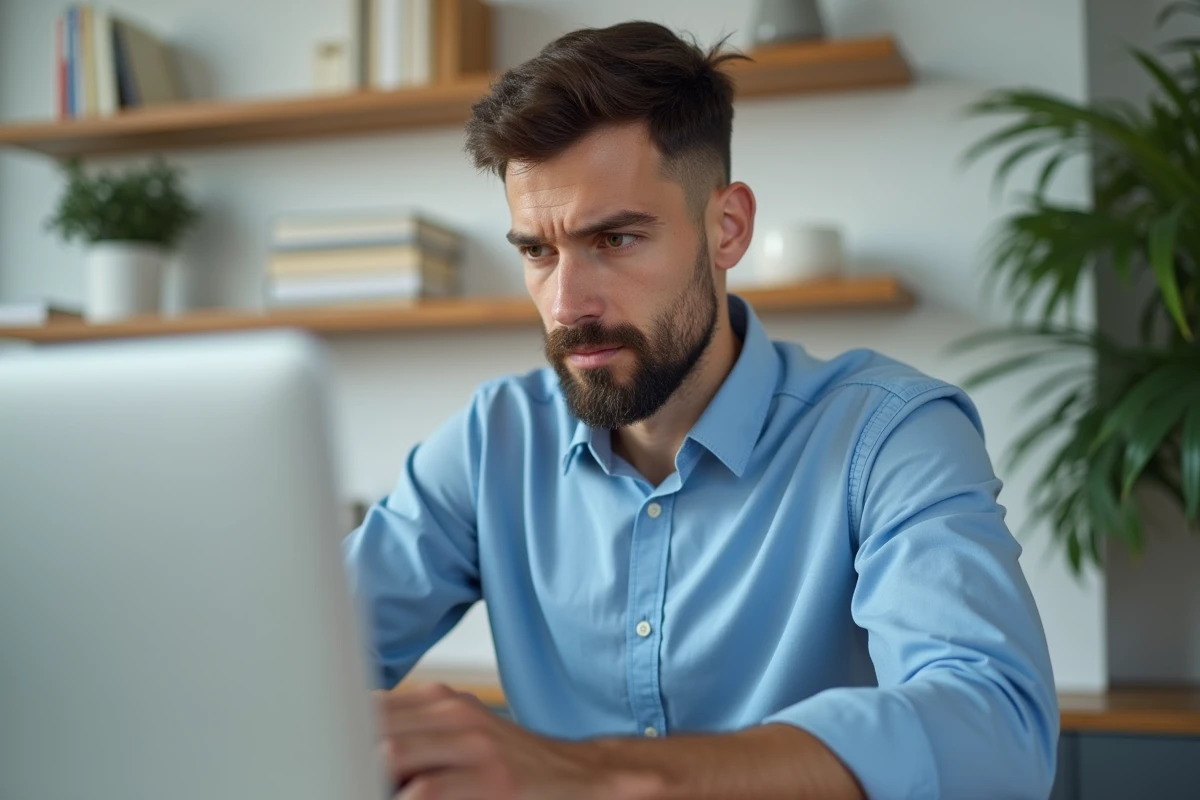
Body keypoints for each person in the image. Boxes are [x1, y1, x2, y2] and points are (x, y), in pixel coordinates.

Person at [343, 20, 1058, 800]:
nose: (567, 303)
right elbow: (291, 666)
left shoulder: (888, 436)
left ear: (727, 228)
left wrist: (598, 776)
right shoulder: (493, 442)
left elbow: (997, 733)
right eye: (537, 252)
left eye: (614, 238)